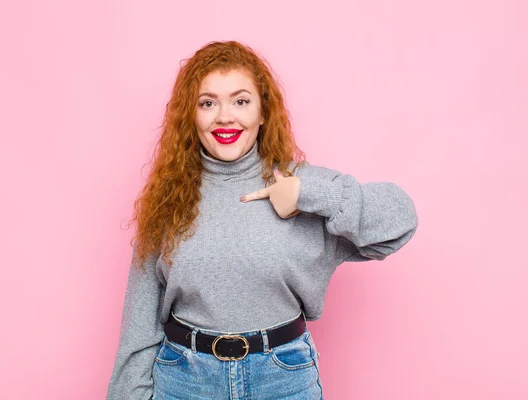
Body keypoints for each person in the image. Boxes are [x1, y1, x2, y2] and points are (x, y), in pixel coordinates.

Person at [106, 40, 418, 400]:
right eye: (208, 103)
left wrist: (306, 194)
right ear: (191, 116)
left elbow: (400, 219)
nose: (225, 116)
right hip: (185, 381)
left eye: (241, 101)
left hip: (282, 379)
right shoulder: (169, 197)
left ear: (263, 112)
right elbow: (139, 324)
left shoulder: (300, 186)